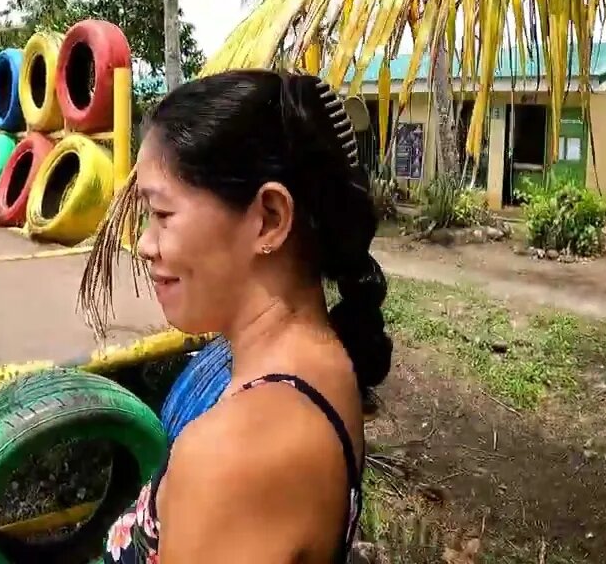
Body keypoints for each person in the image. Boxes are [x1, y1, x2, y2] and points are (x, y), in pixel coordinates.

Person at [81, 69, 392, 563]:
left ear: (268, 218)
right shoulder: (324, 361)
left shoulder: (235, 458)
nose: (143, 244)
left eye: (162, 214)